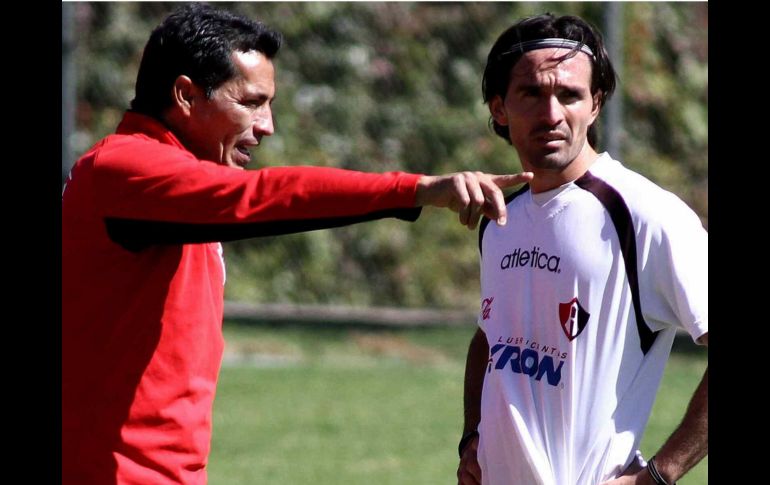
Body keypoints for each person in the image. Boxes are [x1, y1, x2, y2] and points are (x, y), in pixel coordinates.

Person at [61, 4, 533, 484]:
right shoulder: (124, 170)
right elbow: (261, 197)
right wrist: (413, 188)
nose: (266, 125)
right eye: (249, 102)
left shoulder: (173, 185)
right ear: (184, 95)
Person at [456, 13, 707, 485]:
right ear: (499, 108)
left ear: (595, 105)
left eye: (569, 95)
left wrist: (659, 475)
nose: (552, 114)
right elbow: (490, 338)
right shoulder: (499, 221)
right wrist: (472, 439)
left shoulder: (645, 214)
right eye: (532, 93)